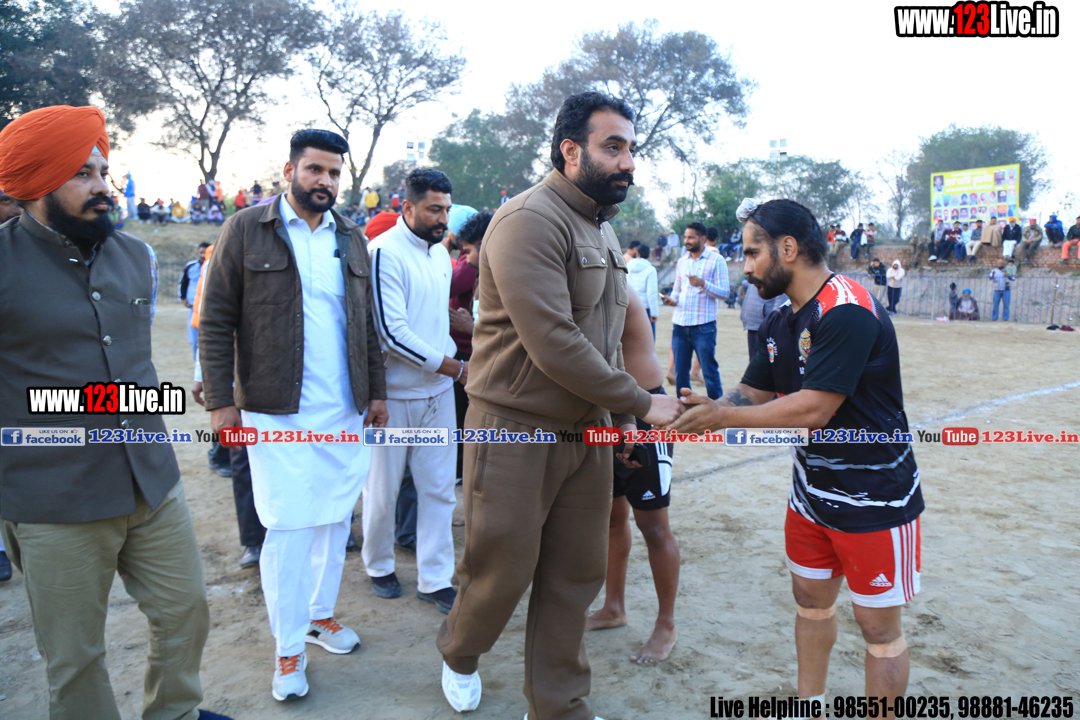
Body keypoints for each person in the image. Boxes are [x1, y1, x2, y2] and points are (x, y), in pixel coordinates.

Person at [435, 91, 682, 718]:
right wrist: (642, 403)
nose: (628, 162)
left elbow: (609, 340)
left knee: (575, 575)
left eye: (631, 148)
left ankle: (558, 704)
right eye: (613, 146)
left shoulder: (603, 228)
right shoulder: (527, 221)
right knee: (500, 571)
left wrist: (621, 421)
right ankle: (460, 653)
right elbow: (553, 341)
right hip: (516, 428)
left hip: (588, 432)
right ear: (571, 150)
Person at [0, 104, 232, 720]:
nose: (103, 186)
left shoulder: (135, 255)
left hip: (151, 481)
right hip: (54, 499)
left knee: (185, 613)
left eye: (104, 170)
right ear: (37, 184)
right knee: (74, 658)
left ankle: (175, 714)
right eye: (83, 173)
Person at [670, 197, 924, 715]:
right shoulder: (779, 320)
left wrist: (722, 418)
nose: (745, 267)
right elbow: (751, 393)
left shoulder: (847, 308)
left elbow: (814, 409)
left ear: (787, 248)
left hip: (875, 499)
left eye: (752, 253)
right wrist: (700, 408)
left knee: (878, 629)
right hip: (809, 495)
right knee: (810, 603)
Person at [199, 128, 389, 702]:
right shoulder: (245, 229)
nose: (325, 181)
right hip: (275, 409)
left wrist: (376, 393)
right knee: (287, 526)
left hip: (345, 409)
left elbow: (366, 324)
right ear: (290, 170)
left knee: (333, 518)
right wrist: (221, 401)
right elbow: (216, 319)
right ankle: (287, 649)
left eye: (334, 173)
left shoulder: (350, 237)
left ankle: (318, 616)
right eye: (315, 170)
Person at [361, 169, 461, 615]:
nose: (443, 219)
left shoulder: (439, 253)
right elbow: (392, 334)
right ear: (408, 207)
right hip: (393, 397)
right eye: (434, 209)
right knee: (382, 491)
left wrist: (450, 365)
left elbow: (434, 321)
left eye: (446, 209)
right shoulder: (383, 252)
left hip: (438, 393)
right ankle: (378, 565)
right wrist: (456, 368)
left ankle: (435, 578)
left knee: (439, 490)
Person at [586, 289, 680, 665]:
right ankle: (614, 607)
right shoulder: (577, 281)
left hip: (645, 411)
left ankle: (666, 624)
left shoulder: (614, 288)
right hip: (605, 414)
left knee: (654, 527)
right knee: (613, 518)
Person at [663, 221, 729, 400]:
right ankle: (684, 406)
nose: (687, 241)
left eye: (691, 237)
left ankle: (717, 408)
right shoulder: (682, 261)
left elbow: (725, 293)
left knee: (709, 372)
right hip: (680, 324)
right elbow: (677, 291)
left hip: (704, 326)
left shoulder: (717, 260)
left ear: (703, 238)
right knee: (681, 373)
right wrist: (672, 300)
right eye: (685, 237)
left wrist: (703, 284)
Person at [740, 279, 788, 360]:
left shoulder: (776, 273)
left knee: (766, 362)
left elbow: (781, 296)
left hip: (766, 327)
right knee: (754, 361)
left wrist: (773, 320)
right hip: (753, 326)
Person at [178, 241, 210, 358]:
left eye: (205, 253)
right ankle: (197, 361)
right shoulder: (190, 266)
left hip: (209, 307)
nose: (202, 255)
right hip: (194, 308)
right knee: (194, 340)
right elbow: (183, 283)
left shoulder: (215, 266)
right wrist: (183, 297)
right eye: (201, 252)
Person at [626, 242, 659, 339]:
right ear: (649, 255)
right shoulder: (650, 270)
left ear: (637, 254)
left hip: (629, 306)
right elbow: (651, 293)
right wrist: (654, 313)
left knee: (630, 339)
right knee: (647, 339)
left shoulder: (627, 267)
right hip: (644, 308)